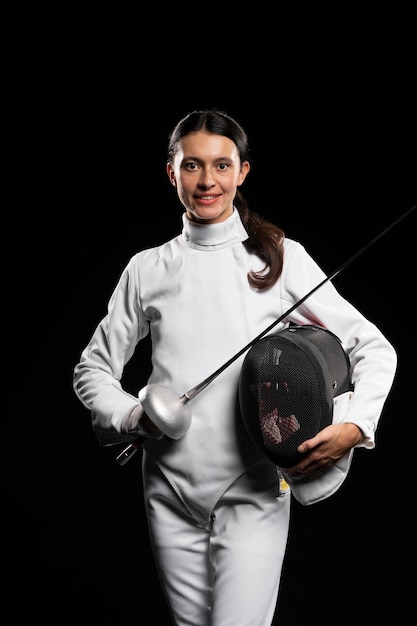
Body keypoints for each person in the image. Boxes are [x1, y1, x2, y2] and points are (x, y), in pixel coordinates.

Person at [73, 109, 398, 625]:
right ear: (171, 173)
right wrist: (134, 417)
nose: (207, 181)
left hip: (252, 486)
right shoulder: (147, 268)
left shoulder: (278, 258)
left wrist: (355, 425)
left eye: (221, 166)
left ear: (242, 172)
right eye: (193, 166)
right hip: (168, 486)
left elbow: (374, 348)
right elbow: (92, 370)